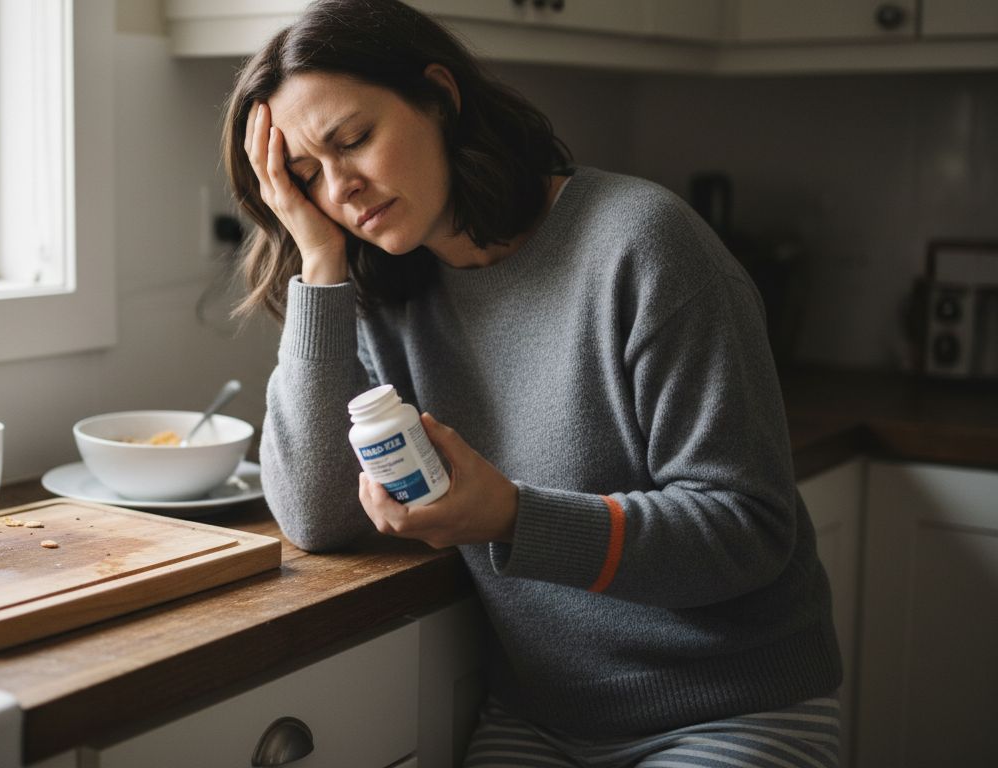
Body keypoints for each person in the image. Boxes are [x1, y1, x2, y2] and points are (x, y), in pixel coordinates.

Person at [220, 1, 843, 766]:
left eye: (355, 140)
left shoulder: (643, 244)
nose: (341, 188)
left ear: (440, 97)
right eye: (307, 175)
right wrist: (318, 264)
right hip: (544, 719)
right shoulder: (385, 294)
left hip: (731, 708)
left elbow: (747, 532)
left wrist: (513, 517)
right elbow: (315, 516)